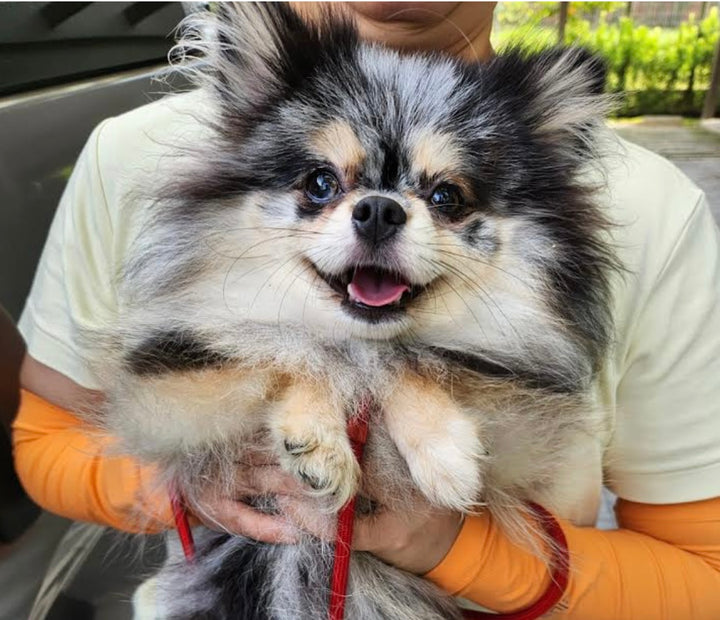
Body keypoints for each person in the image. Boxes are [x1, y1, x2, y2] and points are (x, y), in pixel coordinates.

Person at [13, 3, 720, 618]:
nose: (378, 215)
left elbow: (705, 576)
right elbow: (49, 442)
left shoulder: (654, 210)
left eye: (448, 198)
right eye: (320, 184)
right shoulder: (130, 150)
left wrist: (455, 546)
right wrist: (197, 484)